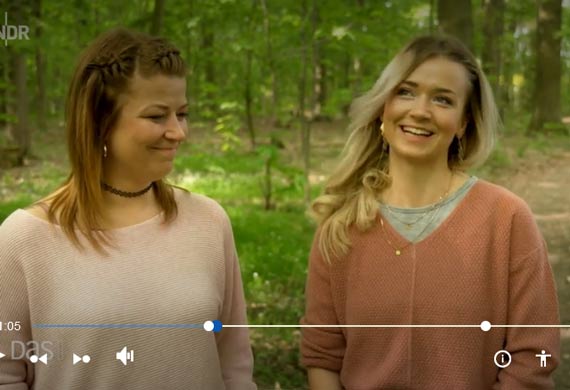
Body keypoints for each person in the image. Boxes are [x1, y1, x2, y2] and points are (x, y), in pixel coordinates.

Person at [0, 28, 256, 389]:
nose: (178, 132)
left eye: (182, 113)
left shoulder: (209, 221)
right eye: (157, 116)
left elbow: (234, 365)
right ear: (100, 123)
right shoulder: (22, 240)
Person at [300, 34, 560, 389]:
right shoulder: (340, 225)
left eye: (442, 99)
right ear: (383, 108)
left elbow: (534, 356)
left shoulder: (507, 218)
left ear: (464, 123)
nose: (420, 111)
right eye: (406, 92)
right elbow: (322, 356)